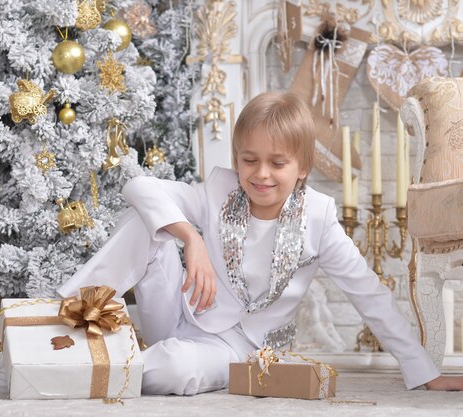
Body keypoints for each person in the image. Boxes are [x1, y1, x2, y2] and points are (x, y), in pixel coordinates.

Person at [58, 91, 463, 395]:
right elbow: (138, 185)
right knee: (145, 220)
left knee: (172, 370)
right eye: (249, 160)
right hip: (175, 313)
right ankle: (69, 316)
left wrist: (424, 370)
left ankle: (86, 369)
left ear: (302, 167)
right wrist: (189, 239)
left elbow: (369, 293)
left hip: (238, 348)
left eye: (278, 162)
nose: (261, 174)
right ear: (237, 160)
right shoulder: (220, 190)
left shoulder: (318, 217)